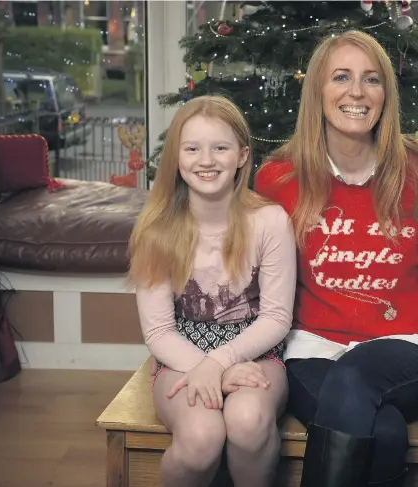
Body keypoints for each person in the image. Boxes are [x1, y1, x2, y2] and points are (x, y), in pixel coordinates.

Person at [255, 30, 418, 487]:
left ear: (386, 93)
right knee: (384, 433)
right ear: (318, 92)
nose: (356, 92)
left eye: (371, 80)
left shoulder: (415, 171)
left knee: (358, 372)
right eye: (341, 77)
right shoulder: (277, 178)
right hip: (314, 349)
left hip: (408, 347)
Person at [129, 95, 296, 487]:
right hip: (180, 354)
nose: (206, 160)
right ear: (176, 157)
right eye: (192, 148)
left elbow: (275, 317)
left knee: (248, 420)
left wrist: (222, 362)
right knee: (202, 436)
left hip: (255, 349)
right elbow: (158, 332)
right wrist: (212, 370)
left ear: (241, 155)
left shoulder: (270, 221)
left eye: (220, 147)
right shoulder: (155, 229)